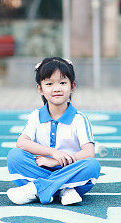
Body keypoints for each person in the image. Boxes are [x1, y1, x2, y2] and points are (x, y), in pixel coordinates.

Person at [7, 57, 101, 206]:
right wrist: (52, 153)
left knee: (92, 166)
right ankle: (64, 189)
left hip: (70, 168)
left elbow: (89, 152)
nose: (56, 89)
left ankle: (37, 189)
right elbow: (22, 142)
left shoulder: (79, 119)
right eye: (49, 84)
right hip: (42, 167)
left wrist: (55, 162)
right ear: (40, 88)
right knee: (15, 156)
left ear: (72, 86)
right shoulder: (36, 116)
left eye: (63, 83)